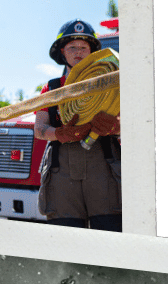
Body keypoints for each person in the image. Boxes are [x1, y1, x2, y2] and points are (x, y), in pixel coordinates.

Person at [35, 20, 122, 231]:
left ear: (92, 52)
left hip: (103, 169)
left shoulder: (113, 82)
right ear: (62, 52)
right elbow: (39, 129)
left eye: (84, 48)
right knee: (66, 241)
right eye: (72, 47)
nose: (78, 52)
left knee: (109, 239)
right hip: (61, 175)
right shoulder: (52, 87)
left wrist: (115, 126)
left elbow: (135, 124)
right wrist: (60, 134)